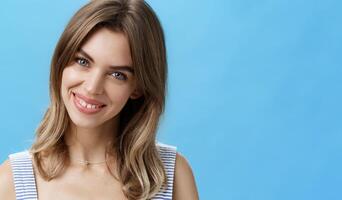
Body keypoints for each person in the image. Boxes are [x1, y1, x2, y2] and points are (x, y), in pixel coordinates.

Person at [0, 0, 199, 199]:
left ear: (138, 88)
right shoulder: (13, 181)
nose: (92, 87)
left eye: (117, 75)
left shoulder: (171, 176)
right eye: (82, 61)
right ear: (61, 63)